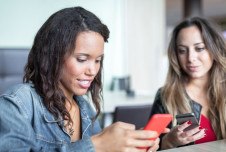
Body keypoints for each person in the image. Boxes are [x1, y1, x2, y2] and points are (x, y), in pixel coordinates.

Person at [0, 6, 163, 152]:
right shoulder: (17, 104)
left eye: (98, 60)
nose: (93, 70)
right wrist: (97, 145)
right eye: (82, 59)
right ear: (52, 57)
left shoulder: (85, 108)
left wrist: (127, 145)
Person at [149, 16, 226, 150]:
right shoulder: (166, 96)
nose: (191, 58)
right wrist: (169, 142)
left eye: (199, 48)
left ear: (215, 49)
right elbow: (149, 148)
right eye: (182, 51)